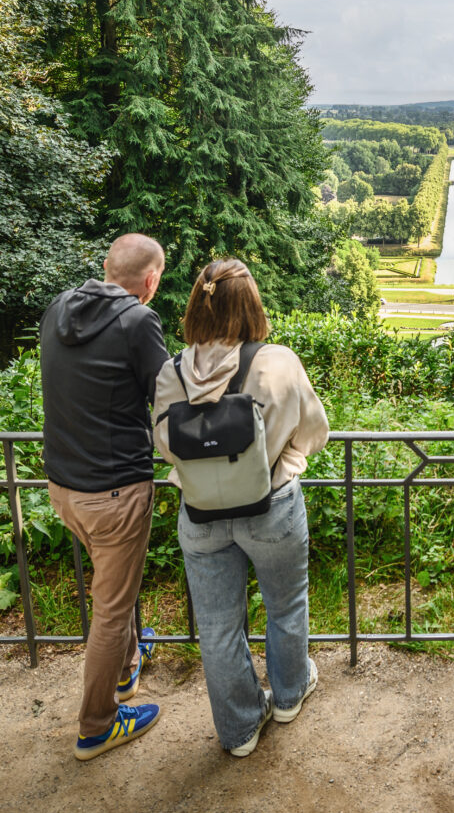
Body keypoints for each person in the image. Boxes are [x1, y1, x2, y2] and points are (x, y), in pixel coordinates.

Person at [153, 259, 328, 757]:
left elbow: (166, 446)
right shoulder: (277, 361)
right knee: (286, 605)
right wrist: (285, 457)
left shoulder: (171, 373)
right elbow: (315, 432)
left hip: (201, 515)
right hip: (270, 505)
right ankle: (291, 695)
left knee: (218, 626)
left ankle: (240, 730)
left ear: (196, 305)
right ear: (252, 305)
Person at [41, 233, 168, 760]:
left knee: (114, 591)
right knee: (112, 611)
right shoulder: (138, 322)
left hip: (64, 488)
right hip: (115, 492)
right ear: (151, 280)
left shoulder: (57, 310)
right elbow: (168, 394)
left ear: (104, 267)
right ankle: (97, 725)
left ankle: (124, 670)